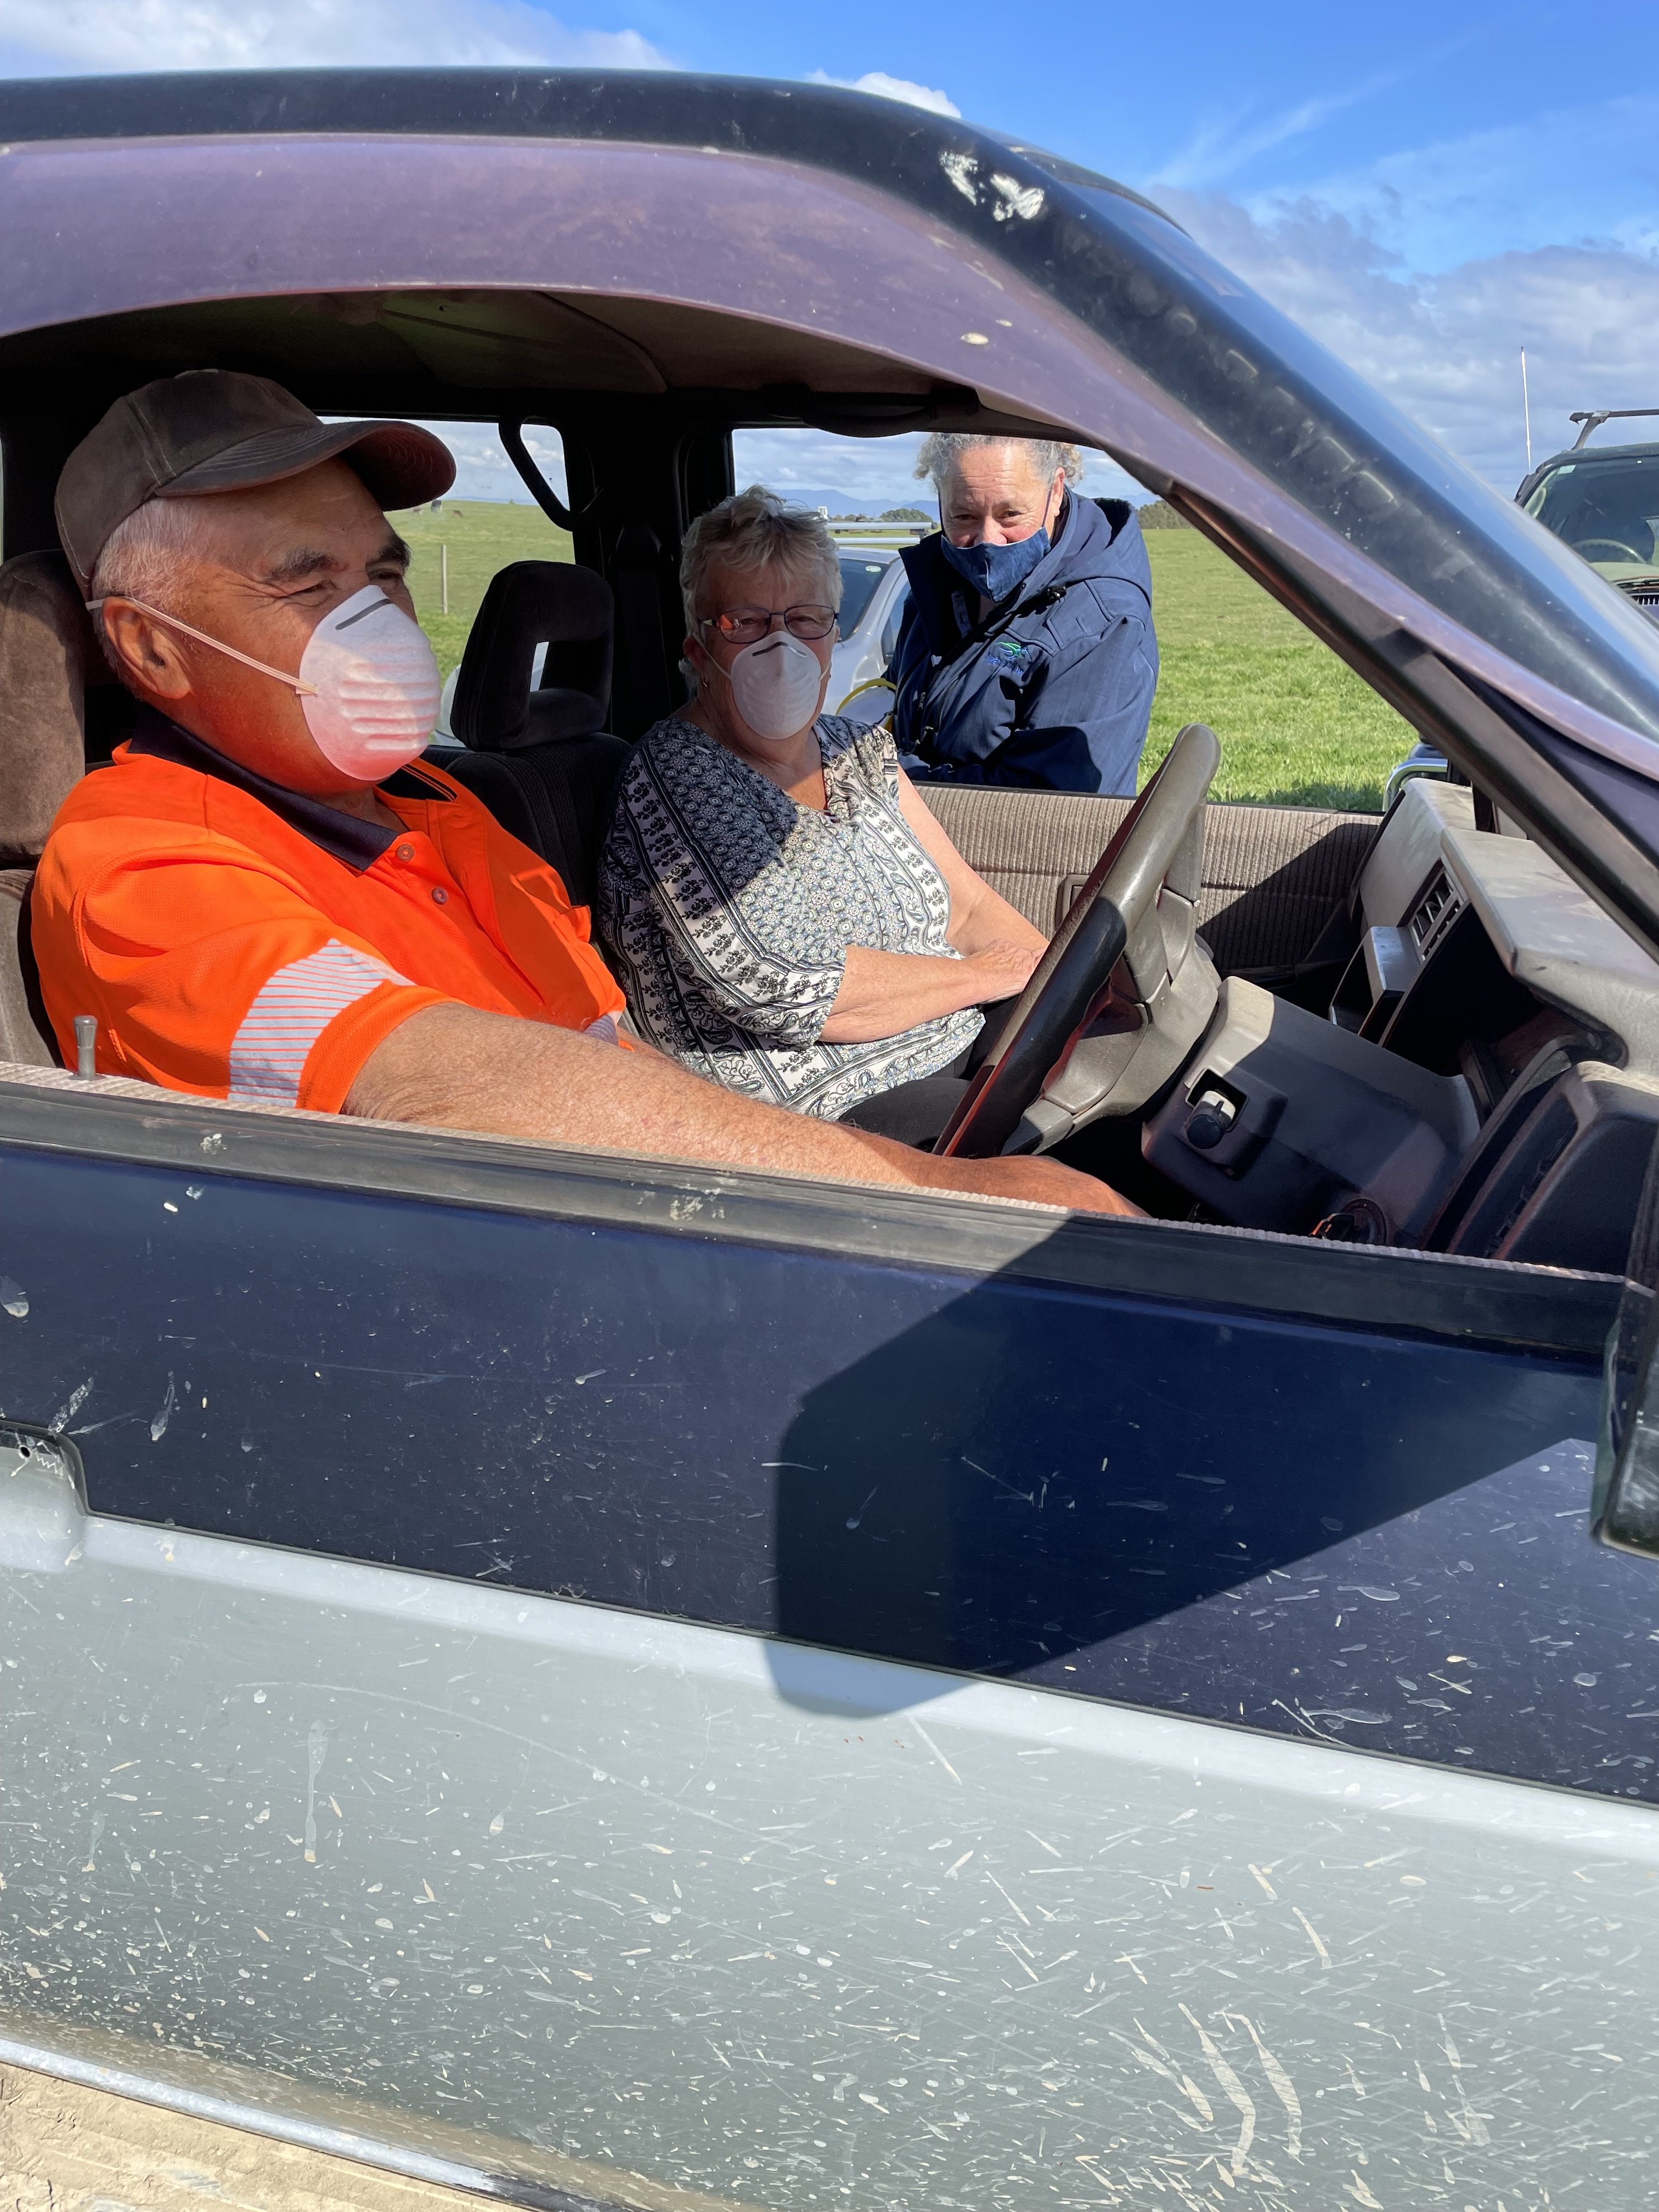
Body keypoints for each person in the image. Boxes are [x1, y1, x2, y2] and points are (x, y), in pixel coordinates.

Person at [31, 372, 1136, 1218]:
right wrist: (935, 1196)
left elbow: (612, 1056)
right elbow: (452, 1089)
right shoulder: (138, 862)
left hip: (642, 1218)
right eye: (305, 581)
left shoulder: (442, 811)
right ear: (151, 648)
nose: (381, 620)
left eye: (382, 573)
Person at [596, 487, 1049, 1141]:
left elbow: (968, 907)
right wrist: (979, 977)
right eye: (746, 622)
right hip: (818, 1123)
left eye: (806, 619)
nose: (782, 645)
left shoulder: (856, 746)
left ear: (833, 636)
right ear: (699, 650)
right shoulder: (677, 774)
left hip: (950, 1051)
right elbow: (790, 984)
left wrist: (1056, 979)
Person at [889, 433, 1157, 794]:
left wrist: (884, 776)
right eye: (963, 515)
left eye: (1010, 514)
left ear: (1056, 491)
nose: (988, 540)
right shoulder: (939, 583)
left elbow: (1043, 805)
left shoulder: (1103, 623)